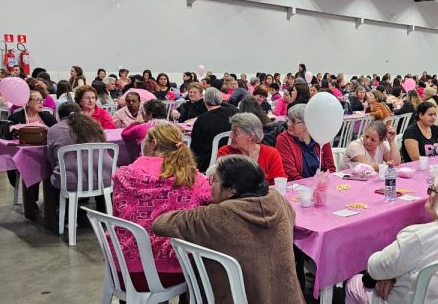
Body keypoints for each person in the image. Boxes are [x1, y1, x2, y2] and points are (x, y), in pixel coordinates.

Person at [152, 155, 304, 303]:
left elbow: (160, 224)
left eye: (214, 180)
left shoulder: (217, 216)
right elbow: (292, 216)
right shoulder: (277, 200)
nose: (210, 186)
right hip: (287, 296)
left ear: (231, 190)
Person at [345, 168, 438, 304]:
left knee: (352, 284)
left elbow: (375, 268)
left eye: (432, 189)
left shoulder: (419, 237)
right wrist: (391, 275)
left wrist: (388, 275)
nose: (429, 194)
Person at [111, 123, 211, 295]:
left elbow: (117, 215)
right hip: (173, 270)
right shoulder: (193, 179)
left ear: (154, 143)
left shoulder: (123, 176)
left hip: (123, 269)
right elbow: (212, 204)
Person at [47, 102, 112, 218]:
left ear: (59, 116)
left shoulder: (54, 130)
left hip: (71, 182)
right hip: (105, 179)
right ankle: (104, 214)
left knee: (57, 173)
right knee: (96, 167)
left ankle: (66, 217)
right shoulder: (96, 126)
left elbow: (52, 158)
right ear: (80, 112)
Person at [216, 113, 287, 185]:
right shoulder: (225, 153)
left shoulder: (271, 153)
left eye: (235, 133)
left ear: (251, 137)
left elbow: (278, 183)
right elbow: (224, 185)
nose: (230, 136)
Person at [275, 104, 336, 180]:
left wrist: (326, 183)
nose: (288, 124)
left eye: (293, 121)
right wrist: (308, 187)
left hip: (322, 185)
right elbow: (290, 173)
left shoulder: (321, 136)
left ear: (307, 124)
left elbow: (330, 168)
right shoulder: (283, 139)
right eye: (288, 119)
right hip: (298, 187)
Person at [190, 88, 239, 172]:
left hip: (208, 161)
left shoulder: (202, 119)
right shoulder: (233, 112)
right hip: (233, 155)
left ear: (205, 101)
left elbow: (194, 147)